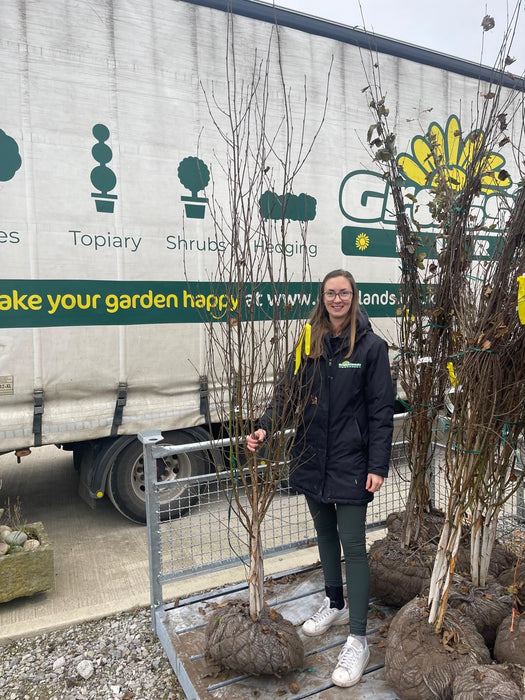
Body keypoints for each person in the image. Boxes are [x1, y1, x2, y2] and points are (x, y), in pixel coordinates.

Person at [247, 269, 394, 688]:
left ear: (354, 296)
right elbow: (286, 394)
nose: (337, 299)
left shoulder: (371, 348)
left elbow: (381, 412)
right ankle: (334, 602)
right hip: (311, 457)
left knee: (353, 544)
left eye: (343, 293)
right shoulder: (306, 342)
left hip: (351, 463)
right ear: (322, 297)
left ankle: (358, 638)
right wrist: (264, 427)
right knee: (325, 536)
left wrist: (377, 465)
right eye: (330, 293)